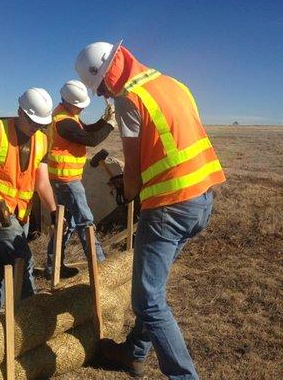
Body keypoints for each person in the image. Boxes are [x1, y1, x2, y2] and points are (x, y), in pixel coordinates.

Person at [75, 41, 226, 379]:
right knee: (152, 290)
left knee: (147, 302)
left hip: (169, 210)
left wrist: (127, 193)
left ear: (108, 74)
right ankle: (134, 352)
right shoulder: (173, 84)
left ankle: (184, 376)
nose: (103, 96)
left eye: (100, 89)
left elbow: (133, 169)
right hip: (200, 199)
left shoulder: (130, 97)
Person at [0, 87, 58, 321]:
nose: (36, 128)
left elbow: (43, 183)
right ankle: (33, 318)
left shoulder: (41, 140)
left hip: (22, 214)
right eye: (32, 122)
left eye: (40, 124)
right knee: (23, 259)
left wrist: (53, 211)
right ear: (20, 112)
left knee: (4, 265)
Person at [45, 79, 116, 279]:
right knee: (86, 222)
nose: (81, 109)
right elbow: (90, 139)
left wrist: (104, 120)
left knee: (65, 224)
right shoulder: (64, 121)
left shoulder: (67, 115)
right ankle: (101, 268)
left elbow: (88, 130)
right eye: (79, 105)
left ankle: (54, 267)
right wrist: (110, 125)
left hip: (64, 178)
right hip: (67, 181)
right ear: (68, 101)